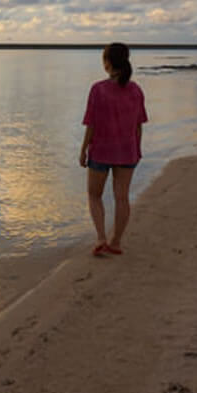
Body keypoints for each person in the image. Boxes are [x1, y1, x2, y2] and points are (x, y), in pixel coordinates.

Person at [79, 42, 148, 256]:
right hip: (127, 151)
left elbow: (91, 124)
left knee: (94, 195)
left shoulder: (98, 89)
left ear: (107, 62)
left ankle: (101, 238)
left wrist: (83, 150)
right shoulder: (136, 90)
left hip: (101, 150)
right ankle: (116, 242)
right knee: (122, 197)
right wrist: (137, 149)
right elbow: (138, 125)